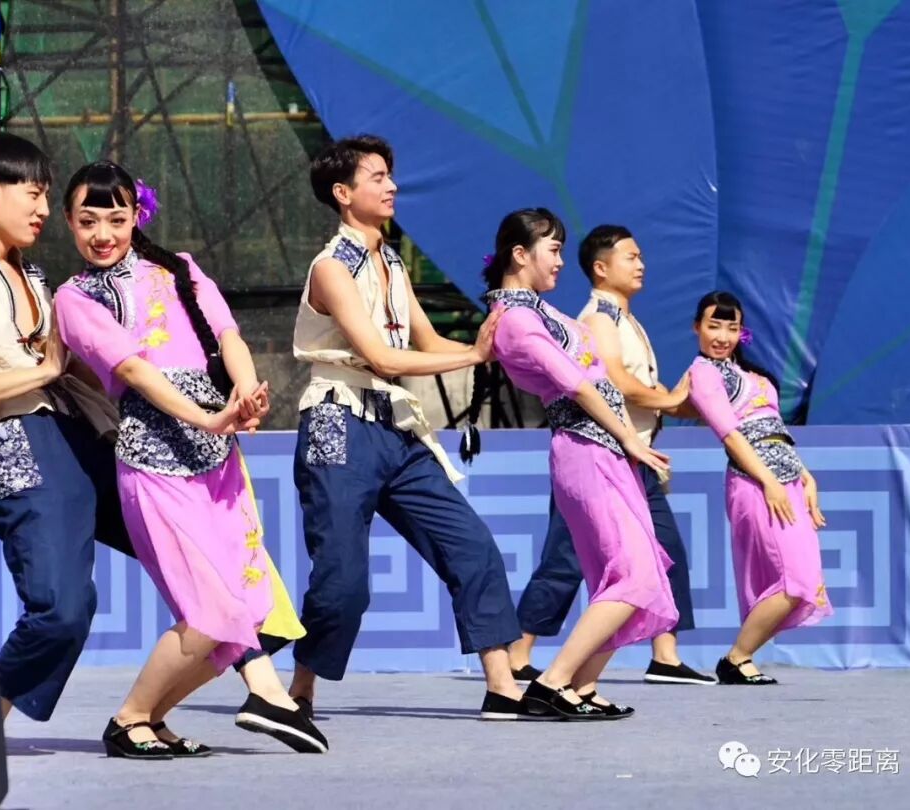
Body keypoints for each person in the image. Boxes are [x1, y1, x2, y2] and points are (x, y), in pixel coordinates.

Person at [54, 160, 328, 756]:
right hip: (152, 462)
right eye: (87, 221)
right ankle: (132, 717)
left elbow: (228, 337)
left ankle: (151, 719)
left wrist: (246, 393)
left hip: (219, 460)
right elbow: (132, 369)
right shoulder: (73, 298)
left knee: (243, 604)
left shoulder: (179, 267)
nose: (102, 234)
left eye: (116, 219)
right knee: (208, 612)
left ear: (137, 216)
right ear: (69, 223)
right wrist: (207, 417)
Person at [276, 135, 532, 721]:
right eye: (377, 177)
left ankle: (502, 687)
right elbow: (381, 356)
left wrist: (491, 342)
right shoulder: (330, 268)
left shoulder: (392, 261)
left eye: (390, 175)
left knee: (472, 546)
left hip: (396, 426)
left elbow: (429, 341)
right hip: (337, 423)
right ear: (343, 194)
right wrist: (473, 356)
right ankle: (299, 690)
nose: (391, 186)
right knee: (343, 583)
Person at [0, 132, 134, 725]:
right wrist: (44, 369)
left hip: (78, 433)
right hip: (14, 443)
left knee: (182, 538)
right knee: (62, 610)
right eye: (33, 194)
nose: (43, 210)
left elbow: (62, 362)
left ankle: (249, 667)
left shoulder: (29, 270)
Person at [473, 208, 677, 719]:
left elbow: (591, 375)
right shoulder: (516, 320)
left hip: (603, 449)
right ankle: (552, 682)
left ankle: (582, 686)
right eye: (554, 249)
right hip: (586, 450)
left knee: (640, 573)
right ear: (520, 254)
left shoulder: (539, 310)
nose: (562, 260)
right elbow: (578, 383)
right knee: (633, 575)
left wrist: (626, 441)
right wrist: (629, 437)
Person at [509, 224, 713, 686]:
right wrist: (672, 401)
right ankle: (521, 655)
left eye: (641, 256)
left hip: (630, 457)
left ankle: (664, 655)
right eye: (630, 257)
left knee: (662, 553)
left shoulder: (624, 319)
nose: (641, 264)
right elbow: (616, 384)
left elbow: (645, 387)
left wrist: (687, 404)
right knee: (566, 560)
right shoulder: (598, 319)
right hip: (598, 453)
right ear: (601, 268)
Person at [686, 290, 832, 684]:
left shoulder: (755, 376)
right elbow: (731, 435)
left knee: (806, 580)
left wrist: (805, 475)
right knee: (793, 580)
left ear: (741, 333)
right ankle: (736, 658)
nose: (722, 336)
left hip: (787, 479)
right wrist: (769, 482)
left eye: (731, 328)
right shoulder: (703, 373)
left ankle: (741, 657)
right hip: (755, 482)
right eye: (714, 326)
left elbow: (776, 431)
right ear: (697, 327)